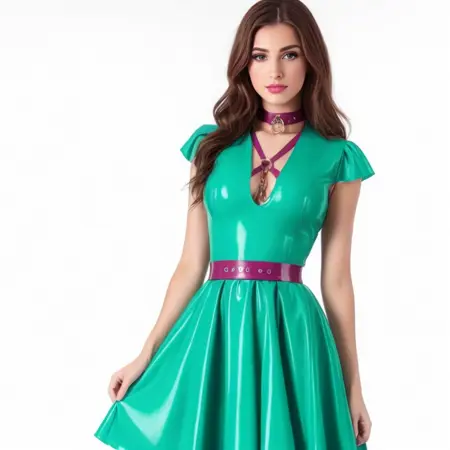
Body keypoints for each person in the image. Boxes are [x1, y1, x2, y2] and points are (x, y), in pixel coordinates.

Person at [94, 0, 375, 448]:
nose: (274, 71)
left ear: (311, 62)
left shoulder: (338, 158)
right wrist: (145, 354)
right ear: (244, 64)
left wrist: (354, 387)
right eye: (260, 56)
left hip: (292, 332)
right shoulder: (210, 147)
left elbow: (337, 280)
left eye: (290, 54)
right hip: (216, 328)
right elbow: (191, 264)